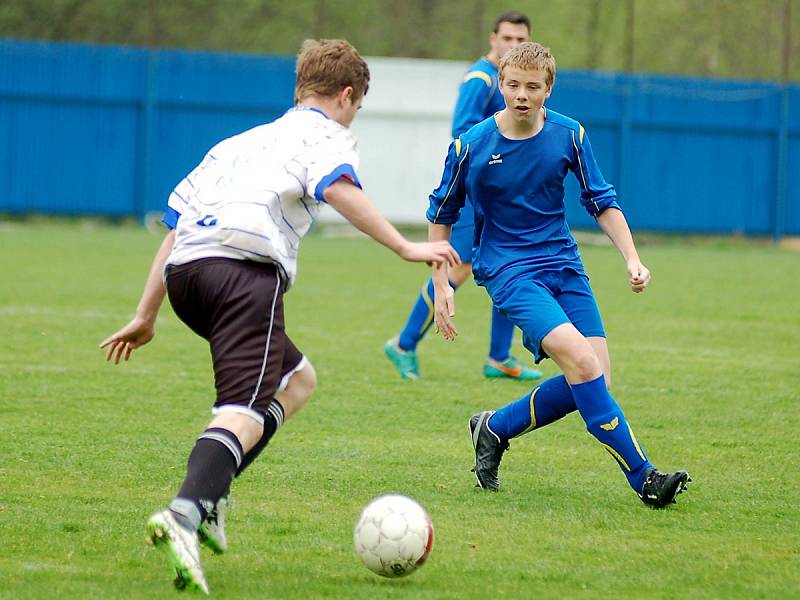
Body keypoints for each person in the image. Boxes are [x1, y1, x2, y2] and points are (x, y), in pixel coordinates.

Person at [99, 39, 459, 594]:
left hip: (186, 275)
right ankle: (185, 512)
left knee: (297, 380)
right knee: (241, 409)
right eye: (356, 106)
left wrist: (147, 314)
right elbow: (337, 187)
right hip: (243, 273)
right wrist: (405, 247)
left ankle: (213, 495)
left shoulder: (236, 143)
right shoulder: (326, 135)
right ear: (346, 96)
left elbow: (174, 227)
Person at [427, 42, 690, 507]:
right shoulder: (471, 145)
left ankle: (494, 427)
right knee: (582, 364)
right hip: (508, 270)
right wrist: (441, 284)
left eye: (533, 86)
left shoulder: (569, 135)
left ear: (548, 88)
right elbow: (441, 214)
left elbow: (602, 200)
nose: (522, 94)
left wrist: (631, 258)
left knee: (596, 380)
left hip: (564, 265)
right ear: (501, 85)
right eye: (513, 85)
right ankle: (644, 478)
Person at [384, 10, 542, 382]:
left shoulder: (514, 81)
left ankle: (499, 357)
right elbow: (463, 133)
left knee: (508, 260)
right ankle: (404, 343)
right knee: (460, 266)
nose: (513, 45)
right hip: (475, 191)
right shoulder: (481, 79)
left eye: (521, 40)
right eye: (507, 39)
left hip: (502, 193)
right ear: (493, 39)